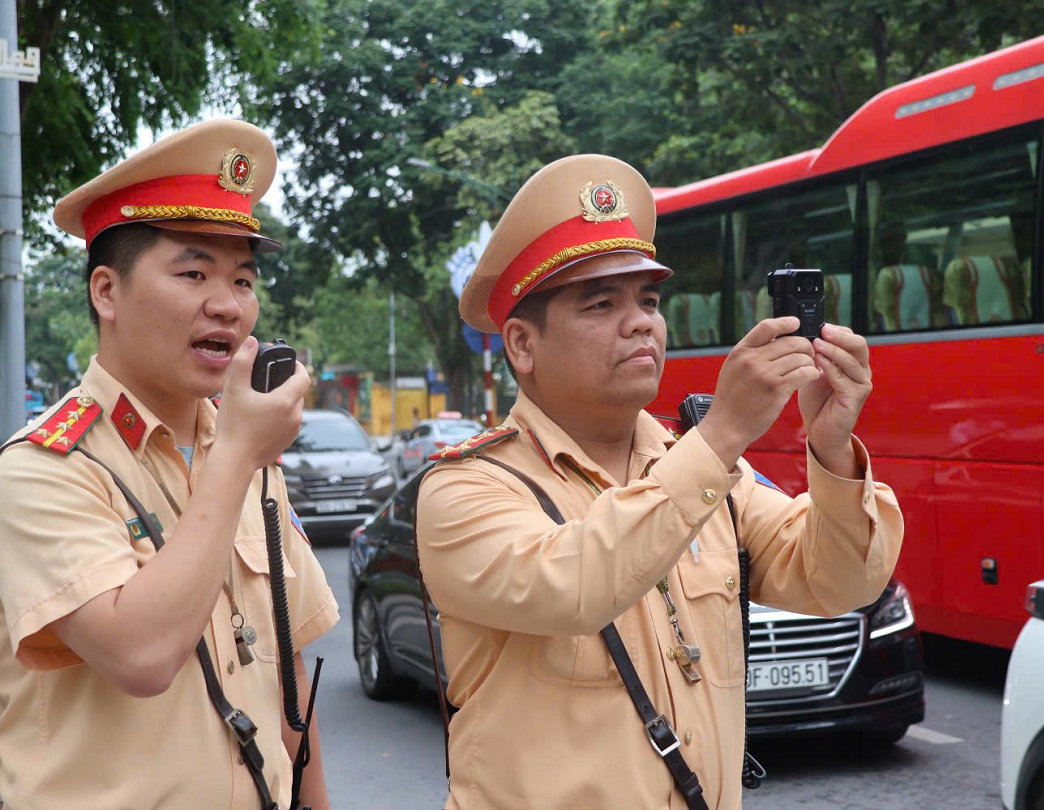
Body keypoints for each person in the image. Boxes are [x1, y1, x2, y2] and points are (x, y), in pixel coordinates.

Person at [416, 154, 904, 809]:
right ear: (522, 345)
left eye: (648, 299)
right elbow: (579, 583)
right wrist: (724, 433)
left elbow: (841, 580)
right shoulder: (467, 489)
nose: (641, 321)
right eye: (601, 303)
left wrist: (832, 444)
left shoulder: (695, 466)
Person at [0, 120, 338, 809]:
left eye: (243, 279)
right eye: (193, 273)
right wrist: (241, 452)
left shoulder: (246, 456)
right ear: (106, 292)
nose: (228, 304)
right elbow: (142, 655)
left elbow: (288, 677)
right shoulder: (41, 470)